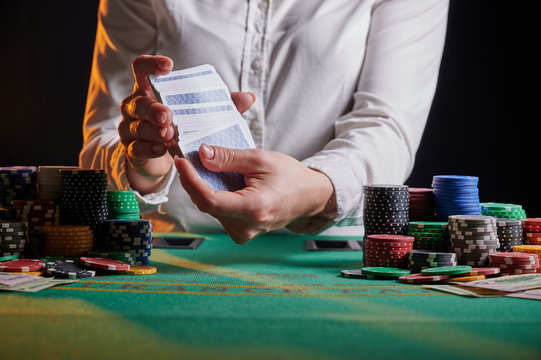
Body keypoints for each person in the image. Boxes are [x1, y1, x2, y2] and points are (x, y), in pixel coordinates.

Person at [81, 0, 449, 244]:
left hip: (331, 250)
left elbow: (388, 123)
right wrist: (142, 166)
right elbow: (103, 134)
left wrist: (317, 190)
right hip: (177, 251)